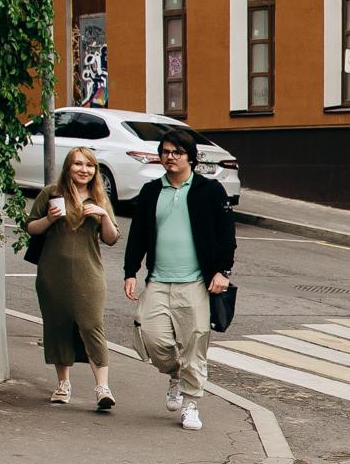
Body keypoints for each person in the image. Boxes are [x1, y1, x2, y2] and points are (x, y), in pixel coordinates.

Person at [121, 132, 236, 430]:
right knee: (151, 337)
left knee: (195, 342)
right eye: (166, 152)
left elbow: (227, 235)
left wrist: (223, 271)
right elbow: (138, 235)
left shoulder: (209, 191)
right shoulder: (150, 191)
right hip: (158, 280)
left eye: (177, 152)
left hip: (196, 282)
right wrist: (130, 271)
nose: (170, 157)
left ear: (191, 157)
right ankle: (175, 373)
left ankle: (191, 404)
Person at [24, 147, 120, 411]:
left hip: (89, 272)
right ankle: (63, 383)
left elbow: (111, 238)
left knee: (91, 325)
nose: (83, 170)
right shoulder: (52, 193)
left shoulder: (100, 197)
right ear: (68, 168)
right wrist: (49, 218)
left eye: (89, 166)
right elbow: (31, 227)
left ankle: (102, 387)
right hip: (52, 273)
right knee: (58, 325)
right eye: (78, 164)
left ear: (95, 171)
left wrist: (102, 216)